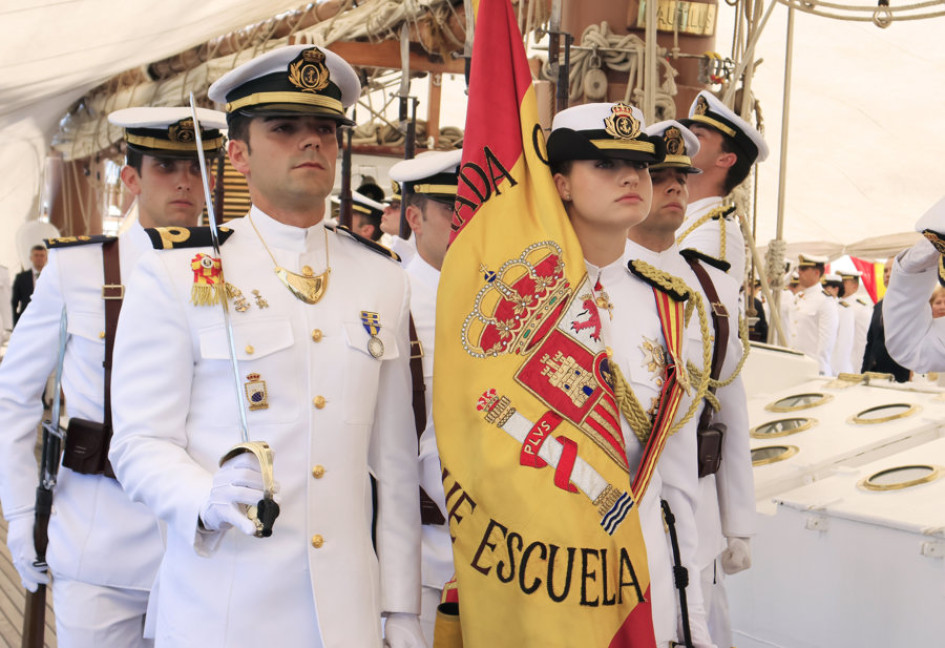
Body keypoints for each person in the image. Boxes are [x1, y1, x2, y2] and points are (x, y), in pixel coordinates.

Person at [108, 45, 423, 648]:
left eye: (326, 129)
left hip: (344, 615)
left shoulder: (382, 277)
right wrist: (203, 495)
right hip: (224, 605)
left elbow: (394, 462)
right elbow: (141, 441)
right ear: (237, 154)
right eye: (285, 128)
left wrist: (399, 607)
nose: (312, 143)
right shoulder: (178, 269)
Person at [0, 106, 226, 646]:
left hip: (202, 548)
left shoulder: (231, 270)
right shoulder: (77, 271)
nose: (184, 183)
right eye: (165, 168)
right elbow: (13, 396)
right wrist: (21, 512)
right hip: (99, 543)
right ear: (130, 178)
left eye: (195, 168)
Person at [548, 102, 702, 647]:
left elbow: (676, 474)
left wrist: (693, 615)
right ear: (562, 184)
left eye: (637, 164)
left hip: (641, 572)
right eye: (606, 165)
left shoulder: (669, 305)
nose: (632, 177)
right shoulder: (522, 300)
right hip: (542, 568)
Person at [635, 120, 755, 648]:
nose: (675, 187)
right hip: (618, 512)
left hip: (699, 512)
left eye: (682, 175)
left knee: (704, 627)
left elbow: (730, 408)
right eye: (658, 175)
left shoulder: (713, 286)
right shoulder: (589, 279)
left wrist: (739, 522)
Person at [388, 148, 462, 644]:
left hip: (504, 554)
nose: (468, 222)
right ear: (414, 217)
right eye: (453, 210)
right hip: (420, 555)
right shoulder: (393, 302)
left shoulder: (506, 303)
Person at [676, 90, 769, 281]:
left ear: (725, 159)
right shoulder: (684, 217)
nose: (686, 140)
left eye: (698, 135)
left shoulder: (716, 232)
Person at [789, 254, 838, 375]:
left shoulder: (825, 301)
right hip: (793, 365)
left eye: (804, 269)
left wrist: (819, 369)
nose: (799, 272)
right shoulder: (798, 297)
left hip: (812, 369)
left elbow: (826, 341)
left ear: (816, 272)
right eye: (799, 268)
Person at [862, 255, 909, 381]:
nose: (887, 274)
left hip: (899, 375)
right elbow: (870, 342)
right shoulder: (878, 306)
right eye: (885, 271)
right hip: (873, 373)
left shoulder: (911, 304)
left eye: (892, 270)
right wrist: (864, 371)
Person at [840, 270, 871, 374]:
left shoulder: (860, 308)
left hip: (852, 364)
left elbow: (863, 340)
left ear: (855, 286)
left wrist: (859, 367)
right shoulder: (833, 303)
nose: (840, 285)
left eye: (844, 282)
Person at [824, 273, 855, 375]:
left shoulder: (844, 309)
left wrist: (837, 370)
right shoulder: (822, 307)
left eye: (826, 288)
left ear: (836, 289)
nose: (822, 292)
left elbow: (844, 342)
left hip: (836, 367)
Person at [12, 244, 47, 327]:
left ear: (46, 258)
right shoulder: (21, 278)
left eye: (42, 255)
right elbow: (14, 303)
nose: (39, 258)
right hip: (27, 322)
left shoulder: (54, 277)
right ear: (31, 258)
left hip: (47, 322)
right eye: (36, 255)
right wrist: (16, 323)